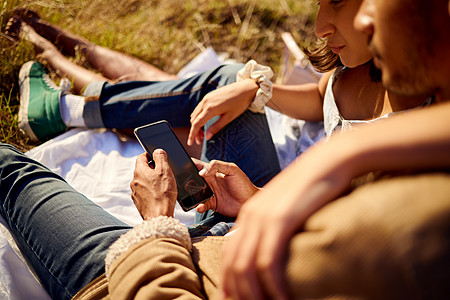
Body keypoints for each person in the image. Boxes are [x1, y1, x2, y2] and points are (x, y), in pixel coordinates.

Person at [1, 1, 448, 299]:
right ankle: (73, 89)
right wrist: (256, 200)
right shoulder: (372, 90)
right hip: (245, 214)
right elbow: (321, 102)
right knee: (228, 80)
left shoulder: (399, 243)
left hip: (144, 269)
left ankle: (69, 99)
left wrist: (158, 223)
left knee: (12, 172)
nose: (321, 25)